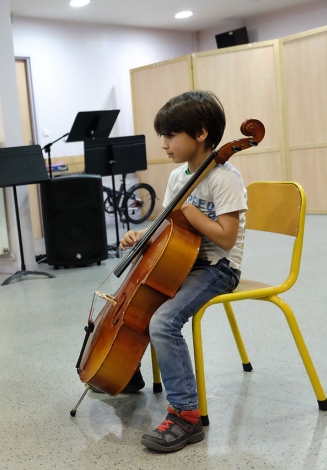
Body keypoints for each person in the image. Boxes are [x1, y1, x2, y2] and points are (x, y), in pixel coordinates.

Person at [119, 90, 246, 452]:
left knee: (163, 321)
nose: (164, 144)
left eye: (170, 135)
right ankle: (126, 369)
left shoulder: (224, 178)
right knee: (136, 299)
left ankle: (186, 415)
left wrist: (191, 212)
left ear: (201, 133)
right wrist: (142, 234)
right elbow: (168, 226)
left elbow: (226, 239)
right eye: (163, 135)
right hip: (182, 261)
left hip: (218, 268)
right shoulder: (178, 176)